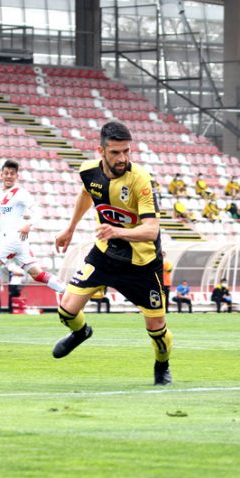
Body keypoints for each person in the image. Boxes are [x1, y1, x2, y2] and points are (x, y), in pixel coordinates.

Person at [53, 121, 173, 386]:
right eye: (116, 152)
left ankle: (162, 366)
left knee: (156, 328)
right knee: (66, 310)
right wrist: (70, 228)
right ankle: (81, 332)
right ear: (101, 151)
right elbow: (87, 193)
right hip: (105, 255)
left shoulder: (140, 180)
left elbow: (151, 230)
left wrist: (118, 232)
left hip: (142, 263)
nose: (123, 158)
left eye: (127, 151)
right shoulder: (88, 172)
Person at [0, 160, 65, 324]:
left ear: (16, 176)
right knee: (38, 274)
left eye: (12, 173)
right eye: (6, 173)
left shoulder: (21, 193)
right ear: (1, 175)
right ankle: (71, 293)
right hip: (17, 241)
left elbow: (38, 212)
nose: (9, 176)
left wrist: (29, 224)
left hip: (14, 238)